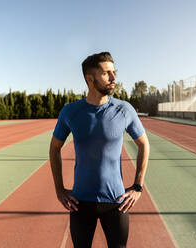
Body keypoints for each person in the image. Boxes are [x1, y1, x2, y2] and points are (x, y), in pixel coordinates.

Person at [49, 52, 150, 248]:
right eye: (106, 73)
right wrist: (59, 190)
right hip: (80, 202)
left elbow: (144, 144)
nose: (114, 78)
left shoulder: (124, 109)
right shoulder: (70, 112)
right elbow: (54, 148)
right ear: (90, 78)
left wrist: (138, 186)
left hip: (116, 202)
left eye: (114, 72)